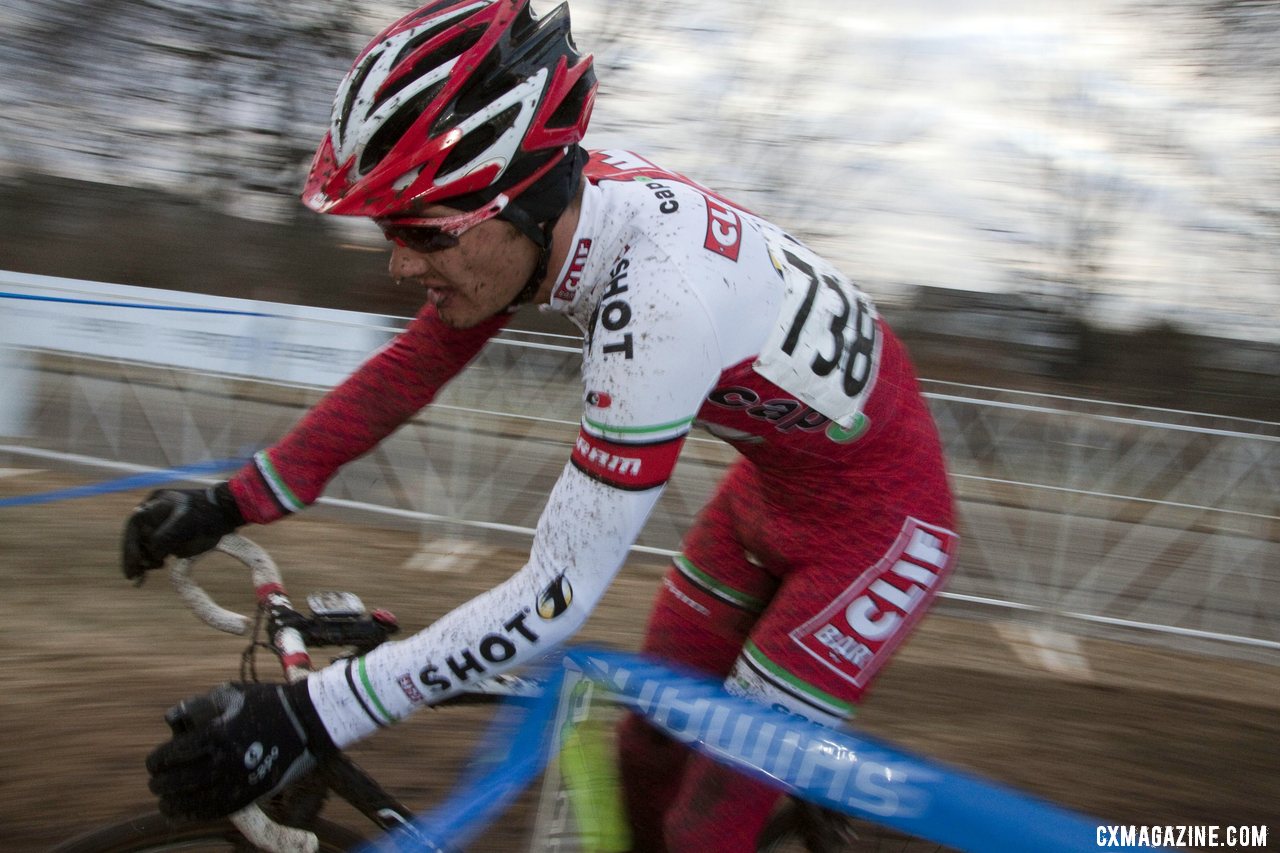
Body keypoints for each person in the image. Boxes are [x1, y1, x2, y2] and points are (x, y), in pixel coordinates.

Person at [121, 0, 959, 849]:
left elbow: (554, 596)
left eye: (422, 231)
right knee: (643, 758)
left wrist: (311, 713)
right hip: (770, 495)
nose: (400, 261)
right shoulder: (558, 206)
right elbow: (410, 369)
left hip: (879, 534)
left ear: (517, 202)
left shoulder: (660, 302)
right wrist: (232, 502)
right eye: (388, 229)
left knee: (712, 816)